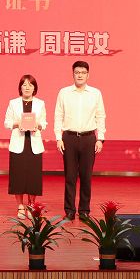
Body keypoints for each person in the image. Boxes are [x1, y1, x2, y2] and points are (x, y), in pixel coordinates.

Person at [53, 60, 106, 221]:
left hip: (89, 138)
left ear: (88, 75)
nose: (80, 75)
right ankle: (69, 210)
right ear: (73, 74)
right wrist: (58, 137)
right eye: (77, 72)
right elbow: (58, 115)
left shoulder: (95, 93)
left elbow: (100, 116)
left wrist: (100, 138)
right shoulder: (64, 92)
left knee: (86, 176)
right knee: (70, 176)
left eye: (83, 73)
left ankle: (84, 210)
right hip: (69, 138)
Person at [4, 74, 47, 218]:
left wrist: (38, 125)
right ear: (20, 87)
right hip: (18, 143)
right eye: (24, 84)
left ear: (34, 88)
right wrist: (18, 123)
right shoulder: (13, 103)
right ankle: (20, 206)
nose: (27, 87)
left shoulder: (40, 103)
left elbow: (44, 123)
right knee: (18, 176)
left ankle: (31, 205)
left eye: (30, 85)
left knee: (33, 177)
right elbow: (7, 123)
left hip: (34, 143)